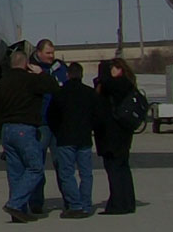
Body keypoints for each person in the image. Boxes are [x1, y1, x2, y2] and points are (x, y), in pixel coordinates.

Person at [0, 49, 61, 223]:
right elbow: (54, 87)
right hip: (24, 129)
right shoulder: (30, 80)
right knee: (35, 168)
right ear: (26, 64)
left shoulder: (2, 83)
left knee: (15, 172)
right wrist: (41, 73)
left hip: (7, 129)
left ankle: (18, 212)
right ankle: (15, 204)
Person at [46, 62, 101, 218]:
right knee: (86, 174)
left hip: (65, 139)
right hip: (84, 138)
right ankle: (86, 205)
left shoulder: (59, 93)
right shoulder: (90, 93)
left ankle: (74, 205)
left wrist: (58, 131)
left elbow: (51, 117)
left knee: (67, 174)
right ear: (82, 75)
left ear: (68, 75)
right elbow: (97, 116)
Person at [27, 39, 69, 214]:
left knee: (63, 163)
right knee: (37, 164)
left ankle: (69, 200)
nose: (51, 56)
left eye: (53, 52)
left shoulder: (60, 68)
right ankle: (36, 202)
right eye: (48, 53)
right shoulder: (30, 70)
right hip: (41, 123)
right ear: (39, 52)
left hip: (58, 123)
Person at [94, 58, 139, 215]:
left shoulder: (116, 84)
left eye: (113, 68)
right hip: (122, 133)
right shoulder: (127, 83)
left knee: (114, 169)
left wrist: (103, 74)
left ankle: (119, 203)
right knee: (122, 168)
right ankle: (126, 202)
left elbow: (100, 94)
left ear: (119, 70)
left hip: (113, 135)